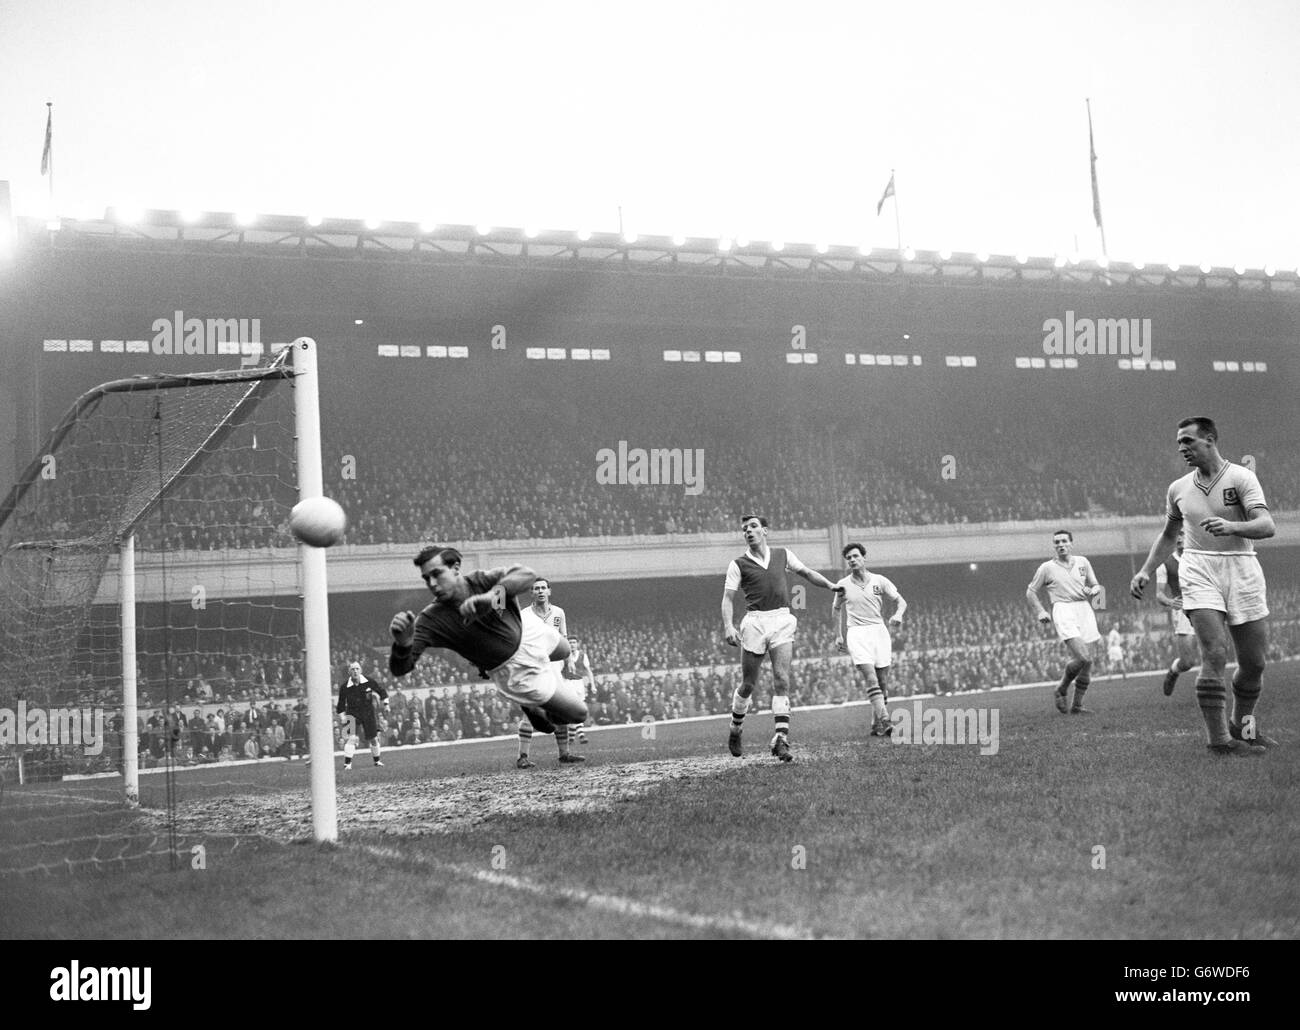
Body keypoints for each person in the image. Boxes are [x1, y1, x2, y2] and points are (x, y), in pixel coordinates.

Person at [1130, 417, 1275, 756]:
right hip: (1198, 567)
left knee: (1253, 663)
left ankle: (1243, 726)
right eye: (1179, 442)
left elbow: (1267, 525)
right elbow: (1168, 536)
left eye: (1188, 441)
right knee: (1214, 652)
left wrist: (1231, 526)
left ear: (1209, 439)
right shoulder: (1178, 488)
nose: (1182, 448)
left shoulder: (1241, 477)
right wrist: (1146, 571)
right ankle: (1219, 741)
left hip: (1242, 567)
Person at [388, 546, 588, 765]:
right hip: (515, 669)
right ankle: (533, 706)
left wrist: (490, 597)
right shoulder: (432, 620)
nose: (432, 584)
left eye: (437, 574)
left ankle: (537, 703)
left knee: (565, 650)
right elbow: (400, 668)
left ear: (455, 568)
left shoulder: (480, 581)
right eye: (427, 579)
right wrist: (403, 644)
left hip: (528, 630)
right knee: (577, 714)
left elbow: (527, 575)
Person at [721, 514, 845, 762]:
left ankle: (781, 739)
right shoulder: (738, 564)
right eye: (745, 529)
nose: (749, 531)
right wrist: (728, 626)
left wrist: (831, 585)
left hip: (781, 619)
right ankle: (735, 728)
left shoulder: (783, 554)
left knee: (782, 678)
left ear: (765, 530)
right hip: (755, 621)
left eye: (754, 527)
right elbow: (727, 598)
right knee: (748, 684)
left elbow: (807, 573)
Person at [832, 542, 907, 738]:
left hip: (879, 631)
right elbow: (836, 608)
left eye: (856, 556)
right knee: (871, 678)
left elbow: (901, 601)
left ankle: (875, 724)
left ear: (864, 558)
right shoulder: (843, 584)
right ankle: (886, 721)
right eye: (849, 558)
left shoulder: (879, 580)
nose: (852, 560)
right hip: (857, 633)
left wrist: (898, 615)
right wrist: (838, 634)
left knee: (882, 682)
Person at [1026, 529, 1104, 714]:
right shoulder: (1046, 568)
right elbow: (1030, 592)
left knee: (1088, 661)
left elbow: (1095, 585)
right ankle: (1061, 688)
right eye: (1057, 542)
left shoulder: (1083, 562)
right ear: (1054, 546)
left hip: (1084, 609)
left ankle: (1077, 705)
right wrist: (1041, 611)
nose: (1060, 544)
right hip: (1063, 609)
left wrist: (1095, 591)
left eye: (1063, 541)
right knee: (1082, 657)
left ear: (1071, 543)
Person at [515, 577, 582, 767]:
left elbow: (564, 638)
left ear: (549, 591)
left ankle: (564, 754)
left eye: (544, 588)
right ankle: (522, 757)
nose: (540, 591)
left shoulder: (559, 613)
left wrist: (569, 661)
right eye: (536, 588)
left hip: (555, 669)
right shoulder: (525, 615)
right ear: (532, 593)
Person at [1154, 534, 1201, 696]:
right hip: (1183, 610)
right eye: (1177, 535)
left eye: (1183, 534)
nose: (1180, 538)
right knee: (1187, 662)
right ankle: (1173, 671)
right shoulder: (1165, 564)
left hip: (1205, 605)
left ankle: (1209, 691)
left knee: (1214, 653)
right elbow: (1159, 594)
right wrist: (1169, 602)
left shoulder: (1199, 557)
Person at [335, 661, 390, 771]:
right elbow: (340, 706)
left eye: (357, 669)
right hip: (352, 714)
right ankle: (347, 764)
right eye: (352, 669)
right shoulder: (344, 687)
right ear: (349, 672)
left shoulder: (369, 681)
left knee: (373, 739)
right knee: (352, 738)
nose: (355, 671)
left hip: (368, 713)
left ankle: (377, 761)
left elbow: (382, 692)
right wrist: (342, 717)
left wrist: (386, 704)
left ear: (361, 670)